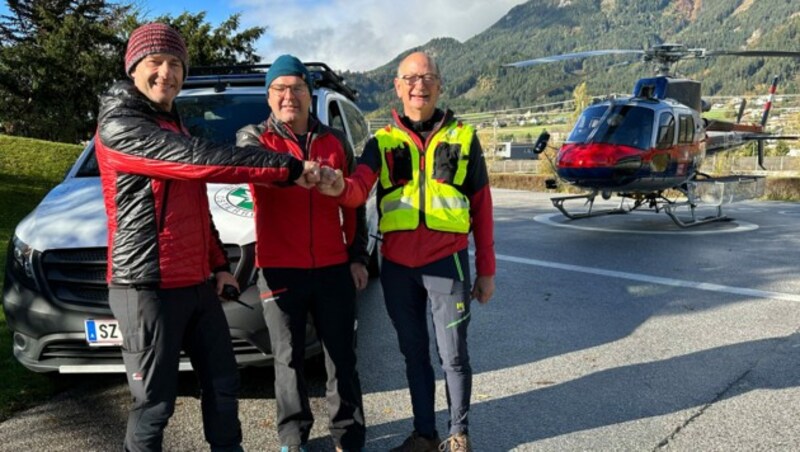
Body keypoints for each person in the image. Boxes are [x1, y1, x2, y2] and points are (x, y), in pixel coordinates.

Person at [95, 24, 320, 451]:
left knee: (223, 387)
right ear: (133, 69)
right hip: (147, 287)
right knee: (155, 405)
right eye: (156, 62)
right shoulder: (121, 126)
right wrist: (290, 167)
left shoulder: (171, 124)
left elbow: (197, 205)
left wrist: (218, 265)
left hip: (197, 285)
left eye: (176, 64)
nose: (167, 73)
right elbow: (203, 162)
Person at [318, 51, 496, 452]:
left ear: (440, 85)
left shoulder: (464, 137)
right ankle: (425, 434)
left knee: (453, 357)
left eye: (428, 77)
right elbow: (359, 187)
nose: (420, 85)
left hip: (447, 263)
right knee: (414, 355)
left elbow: (482, 207)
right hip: (398, 268)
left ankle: (457, 434)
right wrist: (337, 187)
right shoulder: (381, 142)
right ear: (397, 86)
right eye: (411, 78)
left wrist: (487, 270)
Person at [235, 54, 368, 452]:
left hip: (333, 268)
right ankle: (294, 440)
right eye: (280, 89)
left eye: (297, 88)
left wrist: (357, 257)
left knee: (341, 357)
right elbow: (254, 167)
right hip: (279, 269)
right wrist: (297, 169)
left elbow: (353, 204)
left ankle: (349, 437)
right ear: (269, 96)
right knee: (287, 361)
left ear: (310, 95)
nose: (289, 96)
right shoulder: (253, 136)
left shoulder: (336, 141)